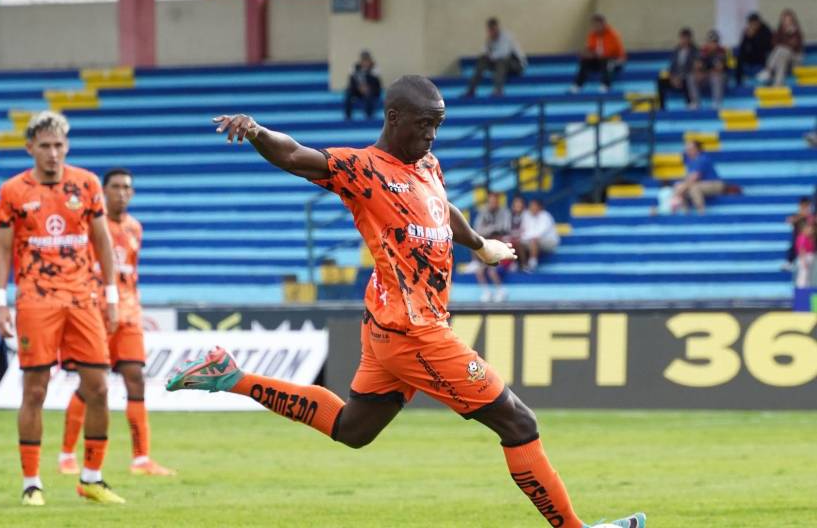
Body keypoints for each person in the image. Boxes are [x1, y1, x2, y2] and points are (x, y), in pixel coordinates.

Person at [167, 76, 645, 528]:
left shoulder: (426, 166)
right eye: (425, 124)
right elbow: (295, 156)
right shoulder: (362, 169)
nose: (433, 135)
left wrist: (480, 245)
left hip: (389, 326)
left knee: (353, 429)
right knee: (518, 421)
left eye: (438, 125)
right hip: (414, 331)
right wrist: (255, 131)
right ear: (395, 117)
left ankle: (231, 376)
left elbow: (444, 207)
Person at [0, 111, 125, 505]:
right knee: (34, 390)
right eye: (46, 146)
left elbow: (102, 242)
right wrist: (1, 302)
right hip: (35, 299)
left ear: (66, 147)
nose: (53, 153)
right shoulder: (13, 191)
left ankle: (91, 478)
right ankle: (31, 483)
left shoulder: (85, 184)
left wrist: (112, 295)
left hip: (83, 298)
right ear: (30, 147)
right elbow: (1, 249)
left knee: (99, 387)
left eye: (59, 146)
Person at [59, 168, 175, 477]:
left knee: (135, 378)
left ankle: (141, 459)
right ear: (104, 192)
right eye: (116, 187)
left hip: (128, 314)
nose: (122, 192)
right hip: (95, 313)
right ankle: (67, 455)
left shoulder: (135, 228)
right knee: (90, 385)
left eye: (127, 187)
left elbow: (131, 273)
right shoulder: (89, 226)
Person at [464, 17, 527, 97]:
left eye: (493, 29)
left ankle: (498, 90)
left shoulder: (507, 36)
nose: (492, 31)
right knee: (482, 60)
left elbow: (504, 53)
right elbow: (483, 52)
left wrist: (490, 56)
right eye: (490, 30)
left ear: (497, 27)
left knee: (502, 60)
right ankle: (471, 90)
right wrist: (487, 54)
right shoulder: (490, 40)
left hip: (516, 65)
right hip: (499, 65)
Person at [570, 14, 626, 94]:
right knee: (584, 61)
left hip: (616, 61)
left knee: (607, 61)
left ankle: (606, 85)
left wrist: (593, 54)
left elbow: (608, 53)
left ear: (604, 24)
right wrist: (585, 53)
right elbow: (590, 49)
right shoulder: (592, 35)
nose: (595, 27)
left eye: (597, 25)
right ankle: (577, 85)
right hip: (600, 60)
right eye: (594, 25)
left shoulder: (613, 35)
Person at [472, 191, 511, 302]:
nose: (493, 203)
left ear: (498, 201)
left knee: (492, 271)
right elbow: (477, 230)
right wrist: (492, 229)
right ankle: (486, 292)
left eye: (495, 200)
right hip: (489, 246)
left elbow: (504, 229)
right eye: (491, 201)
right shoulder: (483, 212)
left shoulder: (505, 212)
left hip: (503, 246)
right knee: (479, 271)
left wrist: (489, 229)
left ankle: (501, 291)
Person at [673, 140, 724, 214]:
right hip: (701, 184)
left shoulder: (702, 159)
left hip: (715, 184)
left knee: (694, 188)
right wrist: (680, 186)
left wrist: (678, 191)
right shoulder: (690, 160)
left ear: (697, 149)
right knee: (682, 186)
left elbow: (694, 178)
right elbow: (689, 177)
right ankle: (685, 213)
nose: (687, 151)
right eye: (687, 149)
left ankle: (701, 212)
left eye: (690, 149)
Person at [757, 9, 804, 86]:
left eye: (789, 20)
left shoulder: (796, 32)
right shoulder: (779, 31)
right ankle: (778, 84)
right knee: (782, 55)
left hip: (794, 61)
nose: (786, 22)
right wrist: (787, 39)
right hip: (782, 60)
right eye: (784, 20)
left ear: (793, 21)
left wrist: (788, 36)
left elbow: (795, 46)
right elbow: (774, 43)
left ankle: (768, 70)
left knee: (782, 50)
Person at [656, 28, 697, 110]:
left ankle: (690, 104)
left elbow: (693, 68)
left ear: (689, 39)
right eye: (682, 38)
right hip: (675, 77)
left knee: (688, 80)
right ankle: (662, 106)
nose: (684, 40)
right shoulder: (676, 50)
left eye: (686, 38)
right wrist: (672, 78)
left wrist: (681, 78)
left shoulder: (694, 50)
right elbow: (671, 66)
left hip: (686, 77)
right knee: (660, 81)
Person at [688, 30, 727, 109]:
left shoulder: (721, 51)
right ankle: (696, 102)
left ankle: (717, 102)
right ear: (707, 42)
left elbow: (719, 69)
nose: (712, 44)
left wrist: (704, 72)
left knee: (716, 76)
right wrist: (698, 72)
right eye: (711, 42)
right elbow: (697, 66)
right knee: (691, 76)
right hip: (706, 77)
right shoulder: (702, 51)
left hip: (720, 78)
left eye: (714, 42)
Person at [519, 199, 560, 270]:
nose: (532, 208)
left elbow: (539, 233)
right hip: (530, 240)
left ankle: (532, 263)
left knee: (534, 240)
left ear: (540, 207)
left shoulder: (546, 216)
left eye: (534, 206)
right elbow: (523, 231)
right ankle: (523, 265)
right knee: (518, 242)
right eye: (531, 206)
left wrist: (526, 236)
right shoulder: (526, 215)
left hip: (549, 241)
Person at [735, 12, 773, 86]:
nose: (752, 25)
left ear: (758, 22)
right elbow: (742, 49)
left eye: (754, 23)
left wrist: (754, 37)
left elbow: (764, 48)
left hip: (761, 60)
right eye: (750, 23)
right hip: (749, 59)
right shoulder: (747, 32)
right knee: (738, 58)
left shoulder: (766, 31)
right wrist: (748, 38)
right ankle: (739, 83)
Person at [345, 50, 382, 120]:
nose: (365, 62)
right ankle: (348, 115)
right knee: (348, 92)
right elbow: (351, 81)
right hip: (358, 90)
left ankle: (369, 115)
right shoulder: (355, 67)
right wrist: (359, 87)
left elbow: (377, 84)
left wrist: (367, 88)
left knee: (369, 94)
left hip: (371, 90)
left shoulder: (375, 68)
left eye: (367, 60)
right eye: (363, 60)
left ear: (370, 60)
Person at [784, 197, 814, 270]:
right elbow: (788, 221)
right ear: (800, 206)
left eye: (807, 207)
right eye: (803, 207)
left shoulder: (811, 216)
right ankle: (789, 262)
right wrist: (800, 216)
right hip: (798, 238)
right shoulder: (796, 215)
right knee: (793, 246)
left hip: (809, 238)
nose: (805, 209)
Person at [795, 221, 815, 288]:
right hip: (804, 259)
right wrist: (804, 261)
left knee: (807, 277)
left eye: (812, 230)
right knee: (803, 276)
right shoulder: (802, 238)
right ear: (804, 229)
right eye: (810, 230)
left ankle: (807, 291)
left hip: (807, 259)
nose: (811, 232)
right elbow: (801, 250)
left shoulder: (808, 238)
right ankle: (801, 292)